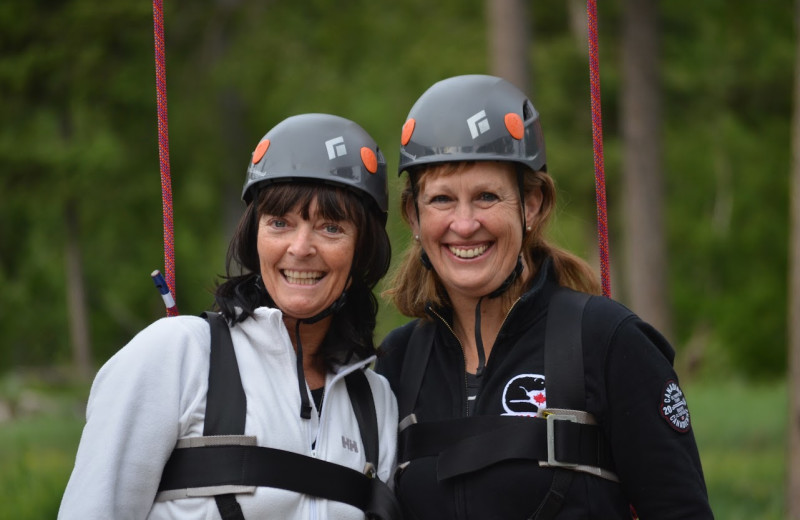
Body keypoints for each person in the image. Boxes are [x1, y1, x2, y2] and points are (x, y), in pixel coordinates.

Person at [376, 74, 714, 519]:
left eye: (486, 196)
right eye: (441, 199)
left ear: (530, 204)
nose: (463, 223)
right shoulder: (397, 364)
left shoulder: (608, 341)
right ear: (413, 216)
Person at [59, 113, 400, 520]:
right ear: (253, 237)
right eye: (279, 223)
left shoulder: (376, 404)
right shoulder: (176, 355)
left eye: (330, 228)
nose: (300, 247)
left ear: (363, 249)